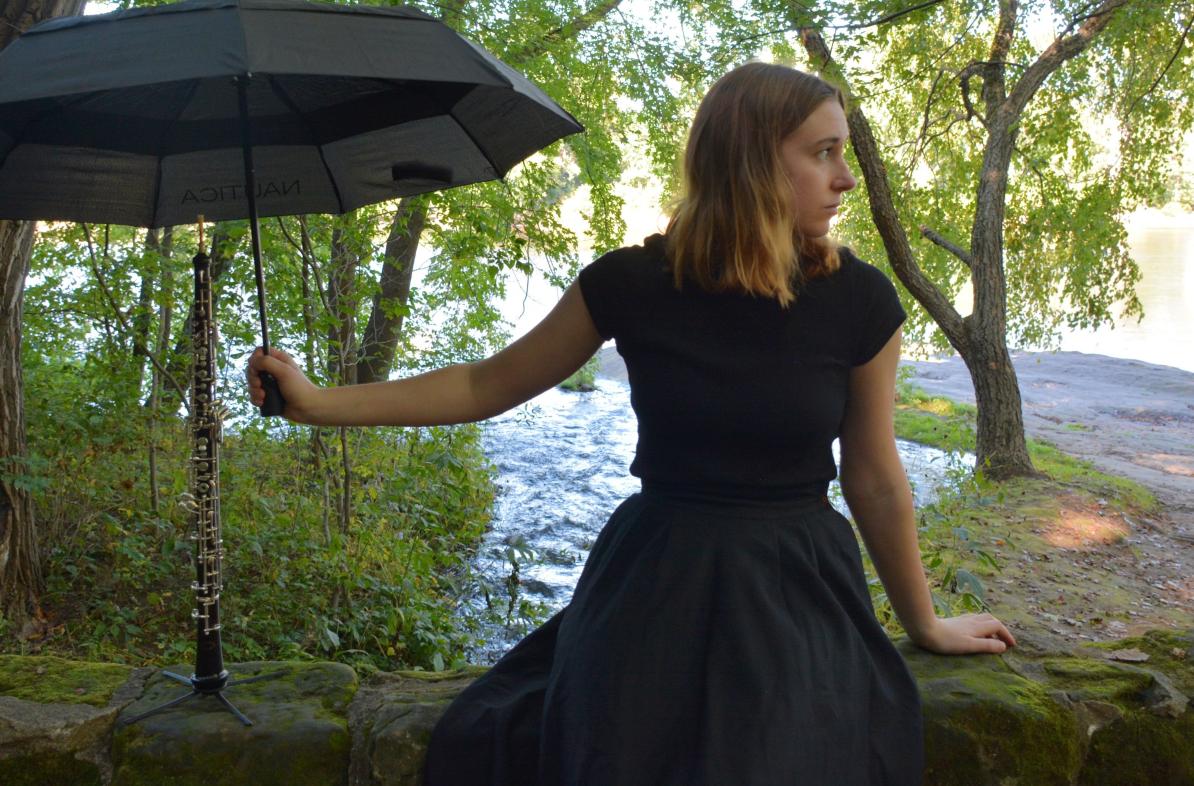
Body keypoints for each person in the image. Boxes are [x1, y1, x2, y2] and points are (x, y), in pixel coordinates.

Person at [247, 62, 1017, 786]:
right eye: (823, 153)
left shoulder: (863, 302)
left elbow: (875, 475)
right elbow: (486, 383)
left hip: (801, 587)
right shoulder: (632, 283)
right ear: (751, 160)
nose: (846, 177)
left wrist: (925, 623)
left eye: (841, 154)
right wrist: (317, 403)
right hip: (657, 581)